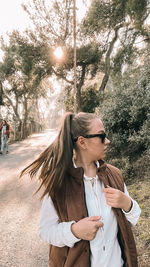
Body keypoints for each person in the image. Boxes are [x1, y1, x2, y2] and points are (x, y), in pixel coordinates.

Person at [20, 112, 141, 267]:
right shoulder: (58, 184)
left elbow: (135, 217)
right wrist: (74, 231)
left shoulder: (115, 175)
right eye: (101, 136)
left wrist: (127, 204)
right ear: (82, 142)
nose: (108, 141)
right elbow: (45, 231)